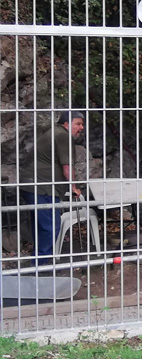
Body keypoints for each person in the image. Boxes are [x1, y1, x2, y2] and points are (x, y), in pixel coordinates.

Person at [19, 111, 85, 264]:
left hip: (31, 185)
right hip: (43, 187)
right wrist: (73, 187)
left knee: (41, 226)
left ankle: (37, 261)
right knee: (51, 227)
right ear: (66, 124)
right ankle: (40, 265)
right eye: (78, 124)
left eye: (82, 124)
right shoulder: (63, 136)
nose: (81, 127)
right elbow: (67, 166)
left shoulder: (54, 132)